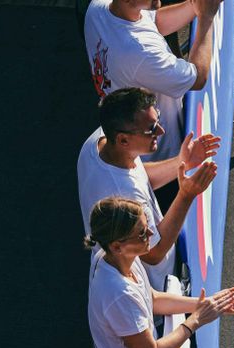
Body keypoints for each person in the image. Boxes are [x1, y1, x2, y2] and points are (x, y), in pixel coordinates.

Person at [85, 196, 234, 348]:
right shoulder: (119, 293)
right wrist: (195, 320)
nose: (151, 235)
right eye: (142, 233)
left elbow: (152, 299)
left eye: (147, 226)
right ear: (117, 246)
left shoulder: (117, 258)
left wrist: (206, 304)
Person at [77, 87, 218, 291]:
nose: (161, 131)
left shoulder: (98, 141)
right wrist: (186, 195)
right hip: (157, 290)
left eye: (157, 119)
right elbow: (154, 253)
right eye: (151, 128)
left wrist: (182, 162)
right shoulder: (126, 195)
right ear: (123, 139)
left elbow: (141, 176)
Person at [84, 0, 220, 161]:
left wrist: (196, 5)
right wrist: (206, 17)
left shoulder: (98, 7)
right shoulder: (141, 53)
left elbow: (153, 22)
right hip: (160, 157)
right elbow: (198, 78)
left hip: (131, 145)